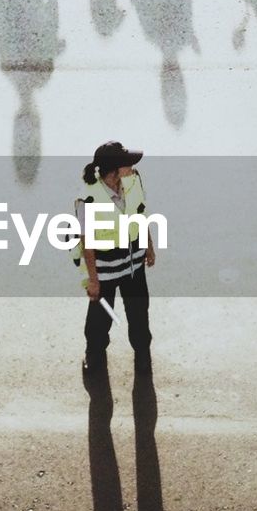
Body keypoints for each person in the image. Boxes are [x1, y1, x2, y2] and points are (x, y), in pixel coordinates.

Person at [74, 141, 155, 376]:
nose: (132, 167)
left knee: (139, 314)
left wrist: (148, 246)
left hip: (133, 266)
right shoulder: (87, 198)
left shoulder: (132, 181)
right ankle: (94, 354)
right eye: (127, 163)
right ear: (114, 169)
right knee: (99, 322)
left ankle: (142, 353)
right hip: (105, 271)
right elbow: (86, 241)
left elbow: (141, 213)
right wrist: (93, 281)